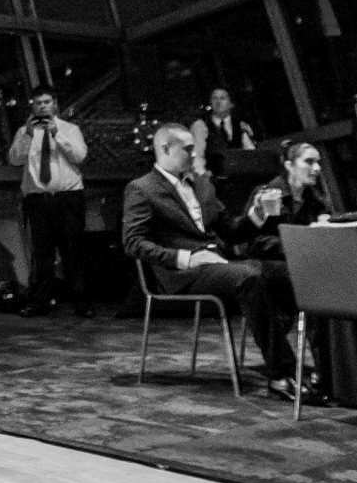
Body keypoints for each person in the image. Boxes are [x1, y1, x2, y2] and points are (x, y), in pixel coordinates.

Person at [122, 123, 301, 399]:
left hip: (218, 263)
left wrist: (258, 215)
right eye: (188, 149)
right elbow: (134, 243)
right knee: (250, 277)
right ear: (165, 149)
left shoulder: (202, 186)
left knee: (291, 273)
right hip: (182, 273)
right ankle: (282, 373)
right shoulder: (142, 189)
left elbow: (230, 229)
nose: (194, 155)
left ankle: (318, 365)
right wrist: (187, 258)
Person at [5, 86, 91, 317]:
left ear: (54, 104)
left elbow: (80, 156)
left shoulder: (70, 129)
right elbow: (14, 159)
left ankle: (81, 301)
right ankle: (40, 300)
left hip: (68, 197)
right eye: (37, 103)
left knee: (72, 249)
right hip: (38, 199)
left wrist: (57, 134)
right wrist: (28, 136)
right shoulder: (25, 131)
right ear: (32, 106)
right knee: (42, 253)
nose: (42, 106)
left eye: (46, 102)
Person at [234, 141, 331, 260]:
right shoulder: (268, 195)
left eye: (318, 162)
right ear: (289, 166)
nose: (317, 168)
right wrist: (295, 244)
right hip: (272, 263)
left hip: (306, 258)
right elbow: (253, 242)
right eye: (309, 162)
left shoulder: (316, 200)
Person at [187, 87, 256, 178]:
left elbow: (250, 152)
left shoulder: (240, 125)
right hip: (213, 180)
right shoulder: (200, 126)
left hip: (239, 177)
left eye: (222, 98)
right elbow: (197, 157)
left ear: (231, 104)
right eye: (214, 98)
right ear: (210, 103)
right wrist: (204, 178)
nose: (218, 102)